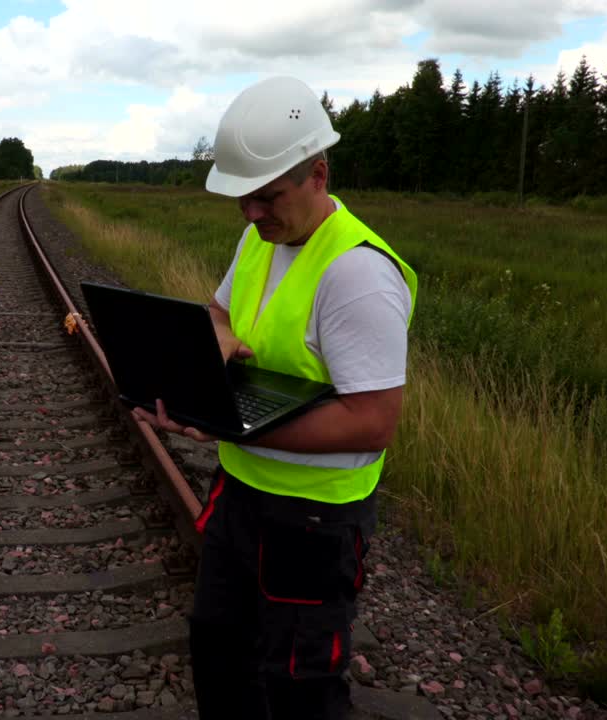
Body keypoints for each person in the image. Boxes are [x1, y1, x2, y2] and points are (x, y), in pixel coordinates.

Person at [132, 76, 418, 719]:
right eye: (242, 201)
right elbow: (216, 312)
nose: (252, 213)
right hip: (240, 499)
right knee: (220, 656)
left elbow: (373, 423)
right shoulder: (259, 237)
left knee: (301, 690)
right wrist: (218, 351)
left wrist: (231, 425)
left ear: (319, 174)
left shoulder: (359, 275)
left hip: (314, 523)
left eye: (267, 197)